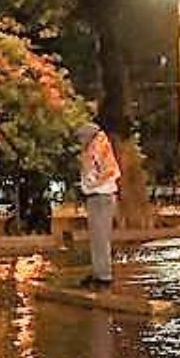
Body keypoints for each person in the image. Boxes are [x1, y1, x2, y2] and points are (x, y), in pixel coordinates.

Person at [77, 121, 120, 288]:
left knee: (101, 237)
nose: (80, 141)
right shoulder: (94, 148)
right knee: (97, 237)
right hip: (96, 196)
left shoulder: (100, 148)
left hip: (102, 196)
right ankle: (98, 272)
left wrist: (94, 184)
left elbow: (111, 170)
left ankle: (104, 276)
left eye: (81, 137)